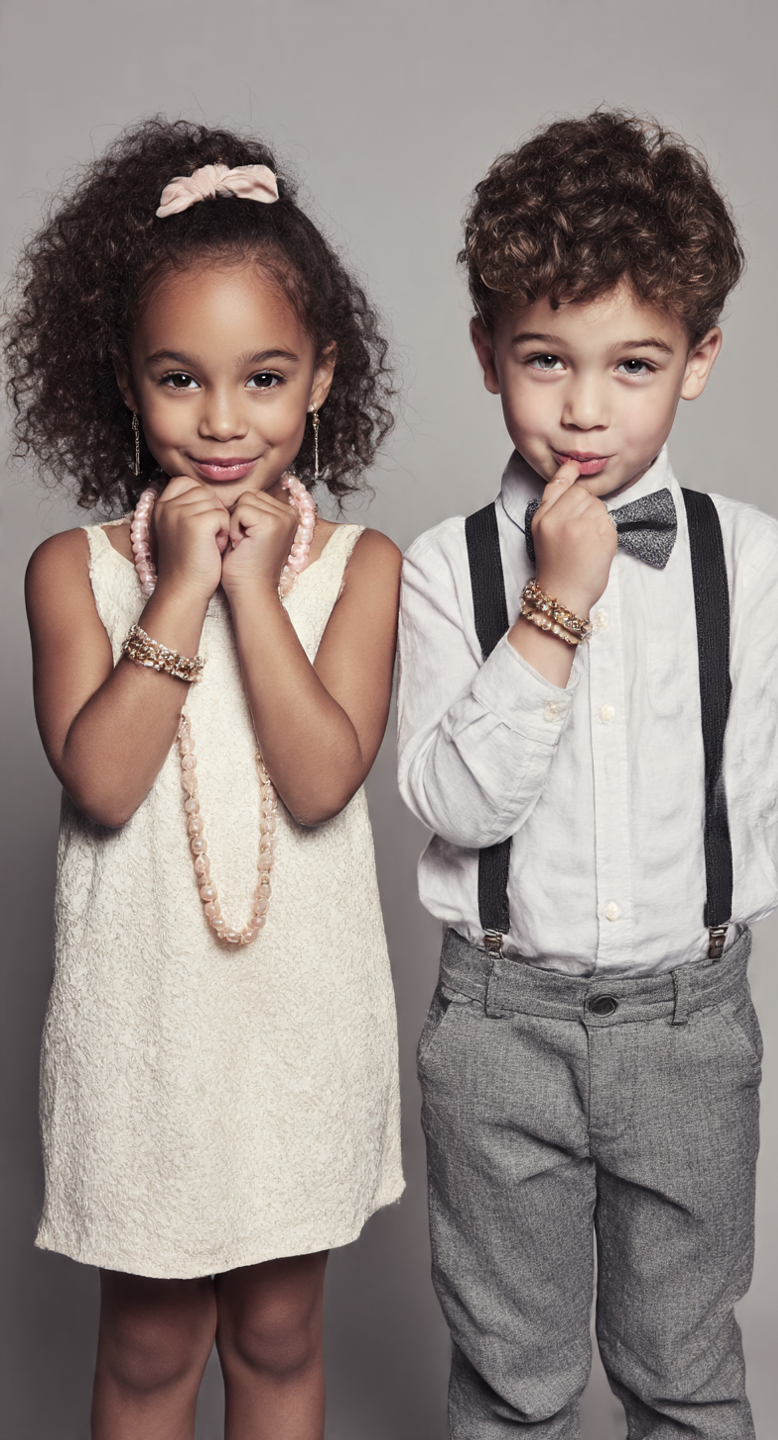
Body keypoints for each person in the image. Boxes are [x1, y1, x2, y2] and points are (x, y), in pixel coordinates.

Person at [397, 110, 778, 1438]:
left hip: (690, 1025)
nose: (583, 407)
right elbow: (456, 805)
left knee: (684, 1373)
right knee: (512, 1382)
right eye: (544, 361)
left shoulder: (746, 558)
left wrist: (682, 956)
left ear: (696, 360)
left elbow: (757, 786)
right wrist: (552, 612)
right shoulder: (439, 567)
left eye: (631, 363)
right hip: (497, 1029)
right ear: (486, 356)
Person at [7, 117, 404, 1440]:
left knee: (281, 1331)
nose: (224, 421)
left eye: (262, 379)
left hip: (295, 1029)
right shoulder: (77, 573)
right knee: (149, 1346)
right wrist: (182, 583)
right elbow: (106, 785)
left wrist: (251, 584)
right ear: (125, 383)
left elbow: (319, 778)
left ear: (320, 378)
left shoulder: (363, 568)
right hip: (151, 1035)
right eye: (181, 380)